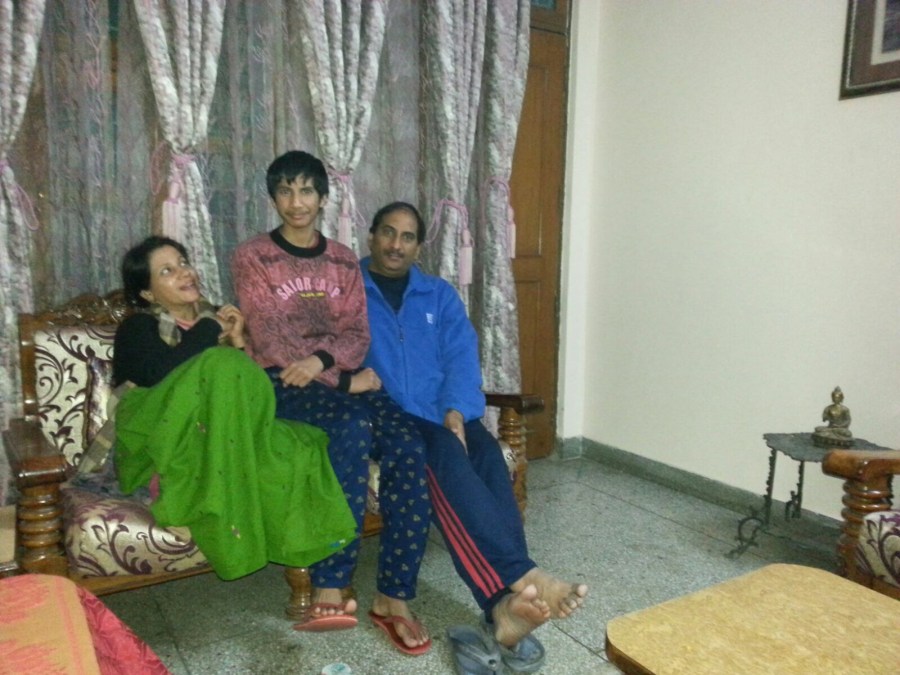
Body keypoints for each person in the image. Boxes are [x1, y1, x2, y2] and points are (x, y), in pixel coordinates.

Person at [360, 201, 589, 668]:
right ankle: (519, 581)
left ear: (419, 246)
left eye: (407, 236)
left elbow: (462, 357)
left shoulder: (438, 295)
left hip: (440, 414)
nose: (396, 244)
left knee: (484, 454)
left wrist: (456, 412)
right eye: (388, 232)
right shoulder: (351, 291)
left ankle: (508, 607)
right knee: (443, 453)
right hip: (386, 420)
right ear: (372, 236)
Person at [230, 151, 432, 655]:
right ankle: (331, 581)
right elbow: (269, 335)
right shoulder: (253, 256)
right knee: (351, 427)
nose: (296, 202)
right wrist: (341, 383)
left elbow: (356, 333)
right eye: (285, 191)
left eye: (306, 191)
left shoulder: (342, 259)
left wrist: (325, 366)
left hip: (332, 375)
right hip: (281, 382)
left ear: (323, 198)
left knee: (407, 442)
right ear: (273, 198)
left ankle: (394, 595)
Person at [110, 236, 357, 582]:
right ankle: (175, 492)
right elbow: (159, 374)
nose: (184, 272)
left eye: (183, 262)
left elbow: (246, 394)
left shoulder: (218, 326)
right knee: (221, 364)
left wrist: (239, 342)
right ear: (148, 293)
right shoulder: (138, 326)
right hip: (156, 433)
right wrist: (211, 327)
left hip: (219, 431)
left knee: (301, 443)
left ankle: (321, 565)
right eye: (167, 271)